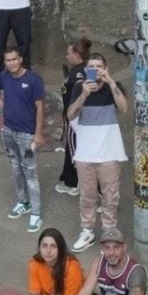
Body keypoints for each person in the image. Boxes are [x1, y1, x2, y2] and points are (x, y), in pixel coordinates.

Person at [65, 51, 128, 252]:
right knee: (87, 195)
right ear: (86, 70)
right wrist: (84, 94)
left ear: (106, 69)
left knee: (111, 197)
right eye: (91, 67)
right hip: (85, 153)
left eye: (99, 67)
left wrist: (111, 82)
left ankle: (109, 232)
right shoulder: (79, 87)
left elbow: (124, 108)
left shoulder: (113, 86)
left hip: (110, 152)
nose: (95, 70)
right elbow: (70, 115)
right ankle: (88, 230)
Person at [0, 45, 49, 232]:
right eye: (8, 60)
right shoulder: (4, 76)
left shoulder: (33, 80)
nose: (11, 63)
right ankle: (23, 202)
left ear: (21, 59)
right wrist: (1, 103)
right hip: (8, 131)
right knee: (16, 168)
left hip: (27, 134)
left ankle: (36, 213)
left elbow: (40, 107)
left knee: (30, 172)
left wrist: (38, 133)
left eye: (14, 59)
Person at [54, 38, 92, 198]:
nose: (67, 56)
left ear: (76, 54)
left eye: (69, 53)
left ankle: (73, 183)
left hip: (76, 119)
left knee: (73, 150)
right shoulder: (82, 69)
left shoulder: (78, 74)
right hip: (77, 118)